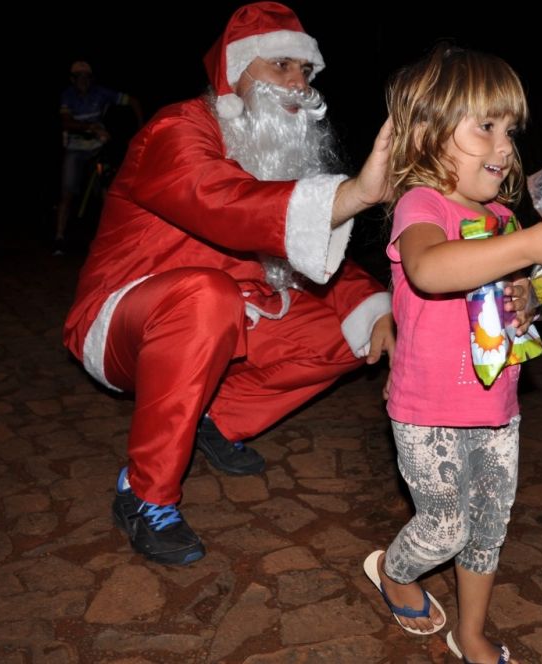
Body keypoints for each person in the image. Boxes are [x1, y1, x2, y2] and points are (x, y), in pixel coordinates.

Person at [62, 2, 394, 566]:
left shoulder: (279, 148)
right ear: (236, 71)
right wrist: (355, 194)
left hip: (233, 313)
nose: (298, 84)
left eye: (305, 70)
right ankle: (143, 494)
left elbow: (310, 252)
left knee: (358, 331)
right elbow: (227, 202)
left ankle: (215, 418)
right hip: (124, 320)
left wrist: (374, 305)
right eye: (280, 66)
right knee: (205, 297)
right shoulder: (176, 129)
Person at [361, 45, 542, 664]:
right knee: (446, 526)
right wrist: (530, 245)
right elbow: (431, 269)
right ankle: (394, 570)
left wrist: (534, 297)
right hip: (427, 410)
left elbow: (514, 302)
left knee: (488, 529)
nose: (504, 146)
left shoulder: (502, 220)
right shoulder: (422, 205)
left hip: (497, 409)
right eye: (486, 126)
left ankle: (469, 633)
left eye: (510, 130)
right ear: (427, 134)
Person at [53, 60, 143, 255]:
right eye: (79, 77)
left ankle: (112, 239)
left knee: (107, 190)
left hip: (98, 149)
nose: (84, 81)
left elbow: (133, 101)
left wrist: (140, 129)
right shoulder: (67, 96)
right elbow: (66, 123)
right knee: (67, 192)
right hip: (75, 149)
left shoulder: (100, 93)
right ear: (72, 79)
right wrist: (91, 128)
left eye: (87, 77)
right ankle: (59, 238)